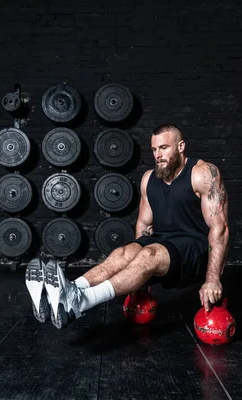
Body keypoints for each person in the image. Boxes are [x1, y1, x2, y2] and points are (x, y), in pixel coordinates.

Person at [25, 123, 230, 329]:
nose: (158, 154)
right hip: (162, 244)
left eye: (164, 148)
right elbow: (144, 225)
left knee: (149, 254)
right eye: (154, 149)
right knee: (123, 252)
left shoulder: (202, 174)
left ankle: (80, 301)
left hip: (194, 250)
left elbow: (219, 228)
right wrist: (140, 275)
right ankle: (68, 291)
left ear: (181, 146)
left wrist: (212, 279)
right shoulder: (149, 179)